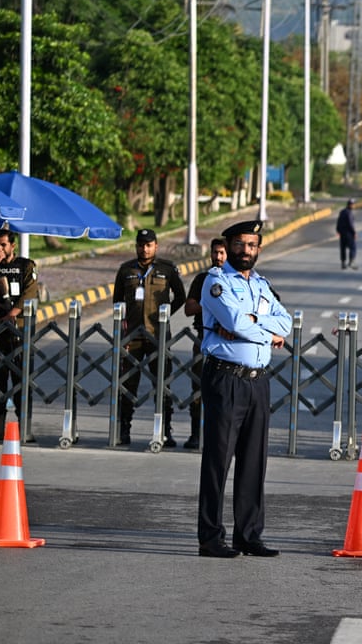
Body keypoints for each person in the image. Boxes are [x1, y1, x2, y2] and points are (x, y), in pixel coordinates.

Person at [197, 220, 292, 558]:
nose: (245, 251)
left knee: (254, 461)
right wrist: (262, 328)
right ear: (228, 245)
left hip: (258, 380)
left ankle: (248, 534)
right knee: (218, 460)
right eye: (239, 244)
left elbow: (287, 322)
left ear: (258, 249)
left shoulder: (262, 286)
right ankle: (210, 537)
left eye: (252, 245)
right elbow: (234, 322)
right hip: (226, 378)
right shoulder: (216, 282)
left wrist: (253, 324)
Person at [112, 229, 187, 448]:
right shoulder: (126, 270)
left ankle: (164, 430)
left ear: (156, 246)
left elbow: (180, 297)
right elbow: (117, 300)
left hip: (158, 335)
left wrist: (164, 315)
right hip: (133, 336)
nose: (144, 249)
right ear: (136, 246)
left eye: (149, 245)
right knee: (128, 384)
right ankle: (124, 429)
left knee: (162, 383)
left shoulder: (167, 269)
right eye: (141, 245)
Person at [0, 231, 40, 442]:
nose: (0, 249)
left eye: (3, 245)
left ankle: (25, 429)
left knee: (21, 382)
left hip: (19, 333)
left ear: (13, 245)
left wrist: (12, 315)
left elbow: (30, 294)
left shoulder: (26, 266)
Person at [181, 237, 227, 450]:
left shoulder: (236, 279)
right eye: (215, 252)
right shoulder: (203, 279)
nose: (218, 257)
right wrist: (208, 303)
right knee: (198, 387)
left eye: (222, 253)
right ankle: (195, 433)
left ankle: (223, 436)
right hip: (204, 338)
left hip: (229, 343)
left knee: (225, 391)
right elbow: (189, 308)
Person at [336, 199, 358, 270]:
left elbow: (338, 221)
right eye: (353, 204)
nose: (353, 206)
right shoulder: (349, 213)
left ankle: (343, 263)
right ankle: (351, 261)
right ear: (350, 205)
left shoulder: (342, 212)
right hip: (348, 233)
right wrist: (354, 233)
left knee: (343, 248)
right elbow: (350, 224)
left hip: (342, 233)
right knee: (353, 247)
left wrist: (338, 230)